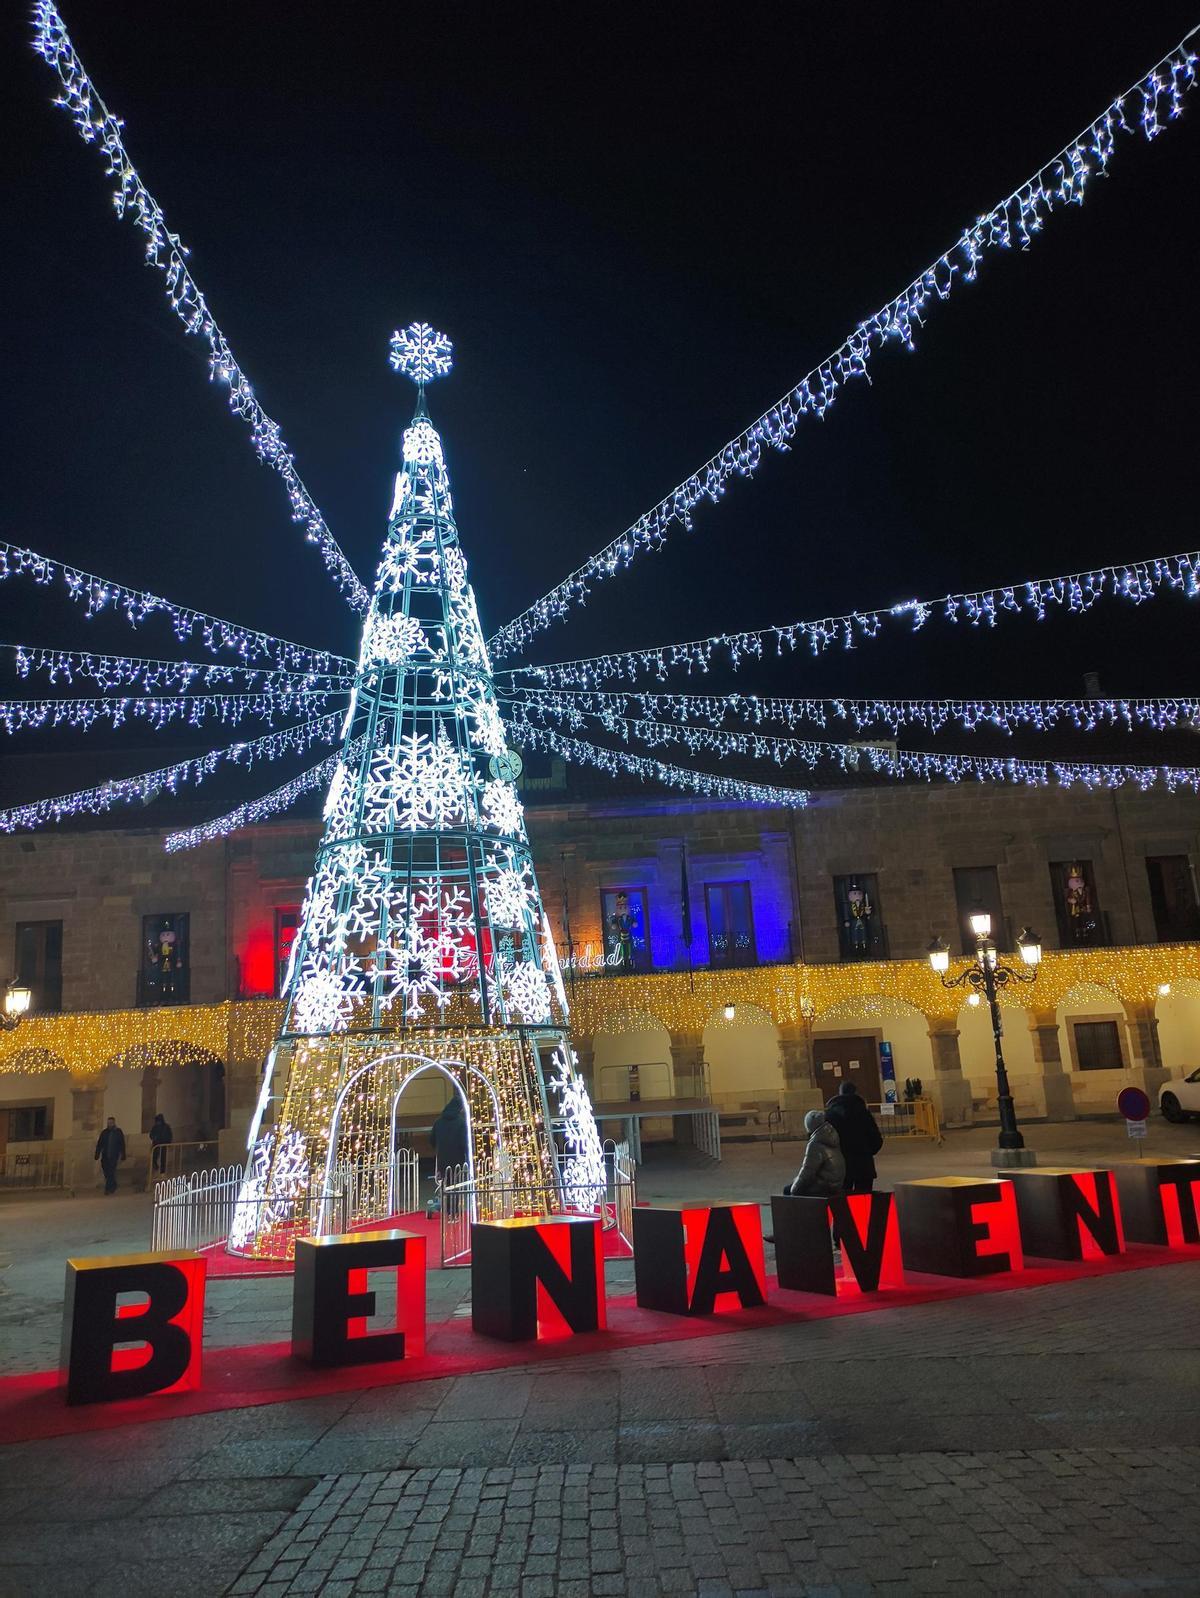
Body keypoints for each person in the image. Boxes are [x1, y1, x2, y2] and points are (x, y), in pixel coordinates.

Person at [824, 1080, 883, 1194]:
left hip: (839, 1166)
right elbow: (876, 1139)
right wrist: (867, 1152)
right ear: (855, 1092)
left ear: (840, 1093)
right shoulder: (864, 1113)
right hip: (864, 1165)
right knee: (865, 1201)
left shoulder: (830, 1115)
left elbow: (826, 1140)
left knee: (842, 1202)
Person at [785, 1108, 846, 1197]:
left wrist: (794, 1189)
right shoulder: (831, 1135)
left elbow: (807, 1172)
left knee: (788, 1190)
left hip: (826, 1186)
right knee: (797, 1183)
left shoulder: (815, 1144)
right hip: (836, 1183)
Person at [427, 1094, 469, 1215]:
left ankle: (446, 1206)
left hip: (442, 1158)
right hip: (457, 1158)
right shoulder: (461, 1123)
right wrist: (467, 1156)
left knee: (445, 1182)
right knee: (456, 1184)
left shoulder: (438, 1122)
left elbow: (431, 1140)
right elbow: (464, 1142)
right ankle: (454, 1209)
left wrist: (439, 1148)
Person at [94, 1116, 126, 1195]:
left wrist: (123, 1154)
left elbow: (122, 1143)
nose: (109, 1124)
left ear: (114, 1123)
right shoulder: (104, 1133)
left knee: (111, 1171)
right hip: (105, 1155)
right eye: (108, 1123)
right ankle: (113, 1184)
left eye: (111, 1123)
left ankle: (108, 1188)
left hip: (114, 1155)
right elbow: (99, 1144)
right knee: (106, 1171)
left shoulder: (118, 1132)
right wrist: (97, 1154)